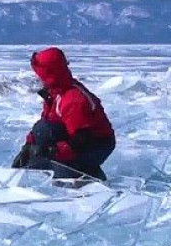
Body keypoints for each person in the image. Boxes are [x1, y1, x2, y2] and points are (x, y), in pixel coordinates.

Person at [12, 47, 115, 180]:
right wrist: (28, 146)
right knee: (43, 130)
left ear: (48, 74)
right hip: (81, 139)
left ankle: (82, 175)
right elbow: (46, 121)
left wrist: (51, 152)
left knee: (48, 142)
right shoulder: (56, 93)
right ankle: (65, 170)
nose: (38, 79)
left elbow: (82, 139)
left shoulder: (73, 99)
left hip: (96, 144)